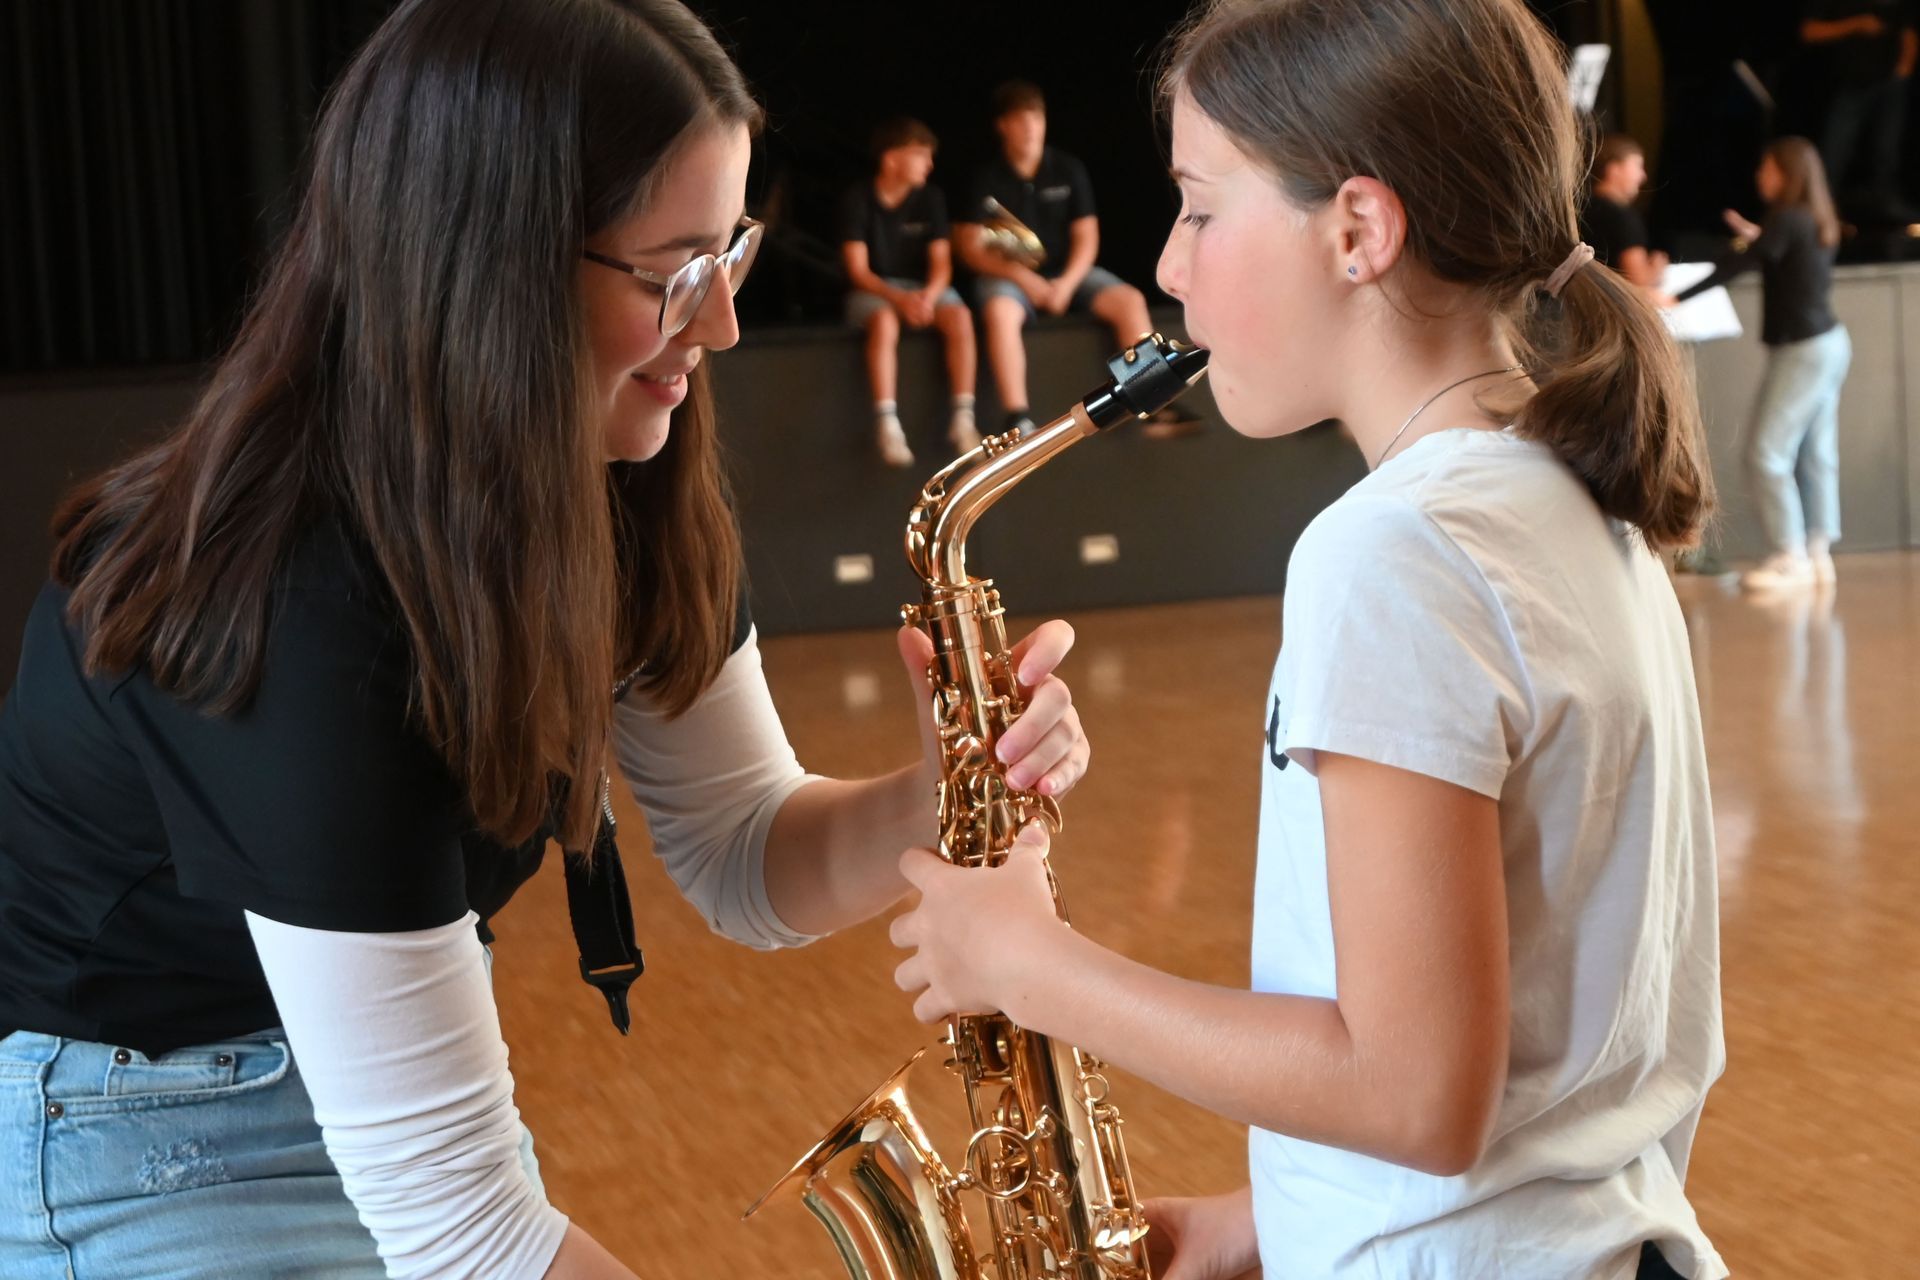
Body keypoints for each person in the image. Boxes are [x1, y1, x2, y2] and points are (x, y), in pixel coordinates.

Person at [0, 2, 1092, 1277]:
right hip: (139, 1134)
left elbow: (745, 853)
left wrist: (944, 784)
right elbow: (466, 1234)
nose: (723, 325)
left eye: (728, 254)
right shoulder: (296, 602)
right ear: (490, 263)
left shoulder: (613, 463)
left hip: (365, 1096)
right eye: (674, 274)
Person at [891, 2, 1728, 1277]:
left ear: (1357, 229)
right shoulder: (1571, 491)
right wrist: (1262, 1222)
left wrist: (1026, 961)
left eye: (1200, 208)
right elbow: (1545, 1076)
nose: (1170, 266)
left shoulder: (1393, 550)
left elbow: (1415, 1094)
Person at [955, 80, 1193, 438]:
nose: (1031, 129)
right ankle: (1017, 416)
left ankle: (1155, 404)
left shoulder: (1066, 169)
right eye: (1021, 121)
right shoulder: (986, 177)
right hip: (1014, 278)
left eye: (1037, 119)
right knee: (999, 312)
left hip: (1069, 274)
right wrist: (1024, 279)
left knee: (1128, 299)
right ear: (1003, 126)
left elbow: (1086, 238)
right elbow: (970, 248)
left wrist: (1065, 283)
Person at [1674, 137, 1851, 593]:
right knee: (1815, 453)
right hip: (1830, 344)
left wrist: (1675, 296)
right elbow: (1777, 253)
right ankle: (1816, 554)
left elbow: (1742, 264)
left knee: (1767, 452)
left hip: (1804, 350)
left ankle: (1789, 555)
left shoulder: (1787, 219)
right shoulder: (1811, 219)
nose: (1760, 176)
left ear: (1786, 174)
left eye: (1767, 169)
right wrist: (1760, 235)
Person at [839, 116, 980, 468]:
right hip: (876, 291)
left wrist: (929, 297)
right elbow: (858, 271)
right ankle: (888, 425)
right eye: (920, 154)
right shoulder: (858, 199)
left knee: (960, 317)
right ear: (891, 159)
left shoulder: (931, 198)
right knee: (884, 322)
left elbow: (942, 265)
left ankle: (963, 419)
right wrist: (899, 299)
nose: (929, 164)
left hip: (923, 292)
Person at [1799, 0, 1917, 221]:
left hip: (1890, 82)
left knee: (1886, 150)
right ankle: (1821, 209)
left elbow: (1907, 31)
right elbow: (1809, 31)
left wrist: (1904, 69)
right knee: (1835, 149)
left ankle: (1888, 208)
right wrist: (1855, 25)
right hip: (1851, 83)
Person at [1581, 133, 1670, 291]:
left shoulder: (1580, 206)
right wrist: (1655, 270)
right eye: (1637, 166)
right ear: (1614, 169)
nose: (1643, 176)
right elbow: (1638, 283)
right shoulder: (1622, 218)